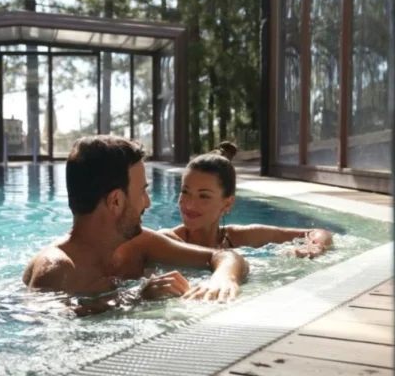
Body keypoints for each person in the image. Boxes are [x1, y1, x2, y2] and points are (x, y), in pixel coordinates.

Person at [22, 135, 248, 316]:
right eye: (142, 192)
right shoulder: (58, 269)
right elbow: (54, 341)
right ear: (116, 201)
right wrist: (136, 298)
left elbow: (226, 257)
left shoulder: (140, 244)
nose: (148, 202)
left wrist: (223, 278)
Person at [156, 141, 333, 258]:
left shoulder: (239, 237)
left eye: (204, 196)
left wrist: (314, 246)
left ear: (227, 203)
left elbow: (319, 233)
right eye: (185, 192)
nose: (190, 204)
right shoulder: (166, 241)